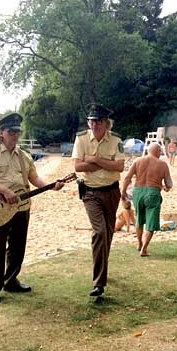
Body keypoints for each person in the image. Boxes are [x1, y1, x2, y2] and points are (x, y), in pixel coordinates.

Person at [0, 112, 64, 304]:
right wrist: (4, 191)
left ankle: (11, 280)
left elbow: (33, 178)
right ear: (1, 133)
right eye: (11, 131)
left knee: (17, 246)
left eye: (17, 131)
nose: (15, 135)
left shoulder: (24, 155)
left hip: (22, 206)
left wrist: (50, 185)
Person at [72, 103, 125, 297]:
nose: (94, 125)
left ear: (106, 124)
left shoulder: (116, 139)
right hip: (90, 193)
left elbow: (119, 167)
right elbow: (77, 167)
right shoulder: (82, 139)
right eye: (91, 121)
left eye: (98, 122)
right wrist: (106, 164)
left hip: (112, 192)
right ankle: (99, 283)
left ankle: (103, 270)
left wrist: (94, 160)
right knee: (99, 231)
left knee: (108, 233)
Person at [121, 143, 173, 257]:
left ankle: (139, 243)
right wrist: (166, 187)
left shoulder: (138, 161)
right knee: (151, 222)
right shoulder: (162, 164)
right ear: (158, 151)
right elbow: (169, 183)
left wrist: (123, 192)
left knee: (139, 219)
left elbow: (127, 178)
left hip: (138, 192)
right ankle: (144, 249)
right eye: (160, 152)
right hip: (153, 193)